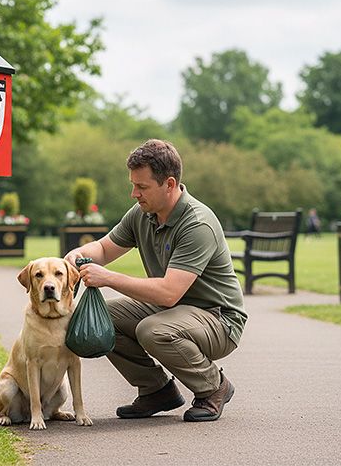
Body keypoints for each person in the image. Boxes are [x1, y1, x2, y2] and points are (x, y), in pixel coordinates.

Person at [64, 139, 247, 423]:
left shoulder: (197, 223)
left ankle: (213, 387)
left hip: (218, 319)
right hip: (173, 311)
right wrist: (77, 255)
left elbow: (169, 293)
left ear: (169, 184)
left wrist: (108, 278)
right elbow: (103, 249)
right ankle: (156, 391)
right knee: (103, 317)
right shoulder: (143, 214)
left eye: (142, 187)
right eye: (133, 185)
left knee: (153, 330)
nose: (134, 193)